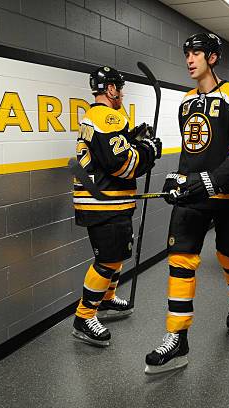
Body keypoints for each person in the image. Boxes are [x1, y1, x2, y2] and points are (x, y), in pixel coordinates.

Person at [144, 33, 229, 374]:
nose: (189, 60)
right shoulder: (186, 102)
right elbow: (192, 153)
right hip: (195, 196)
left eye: (196, 53)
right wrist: (178, 180)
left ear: (212, 57)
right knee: (180, 259)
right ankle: (177, 338)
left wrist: (205, 182)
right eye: (187, 54)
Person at [72, 66, 162, 347]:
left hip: (107, 201)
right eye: (120, 89)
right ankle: (84, 317)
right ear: (110, 89)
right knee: (108, 260)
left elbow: (108, 152)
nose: (121, 94)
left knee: (116, 256)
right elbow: (122, 165)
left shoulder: (96, 117)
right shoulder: (107, 116)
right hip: (104, 202)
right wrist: (149, 150)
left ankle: (107, 299)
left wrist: (133, 138)